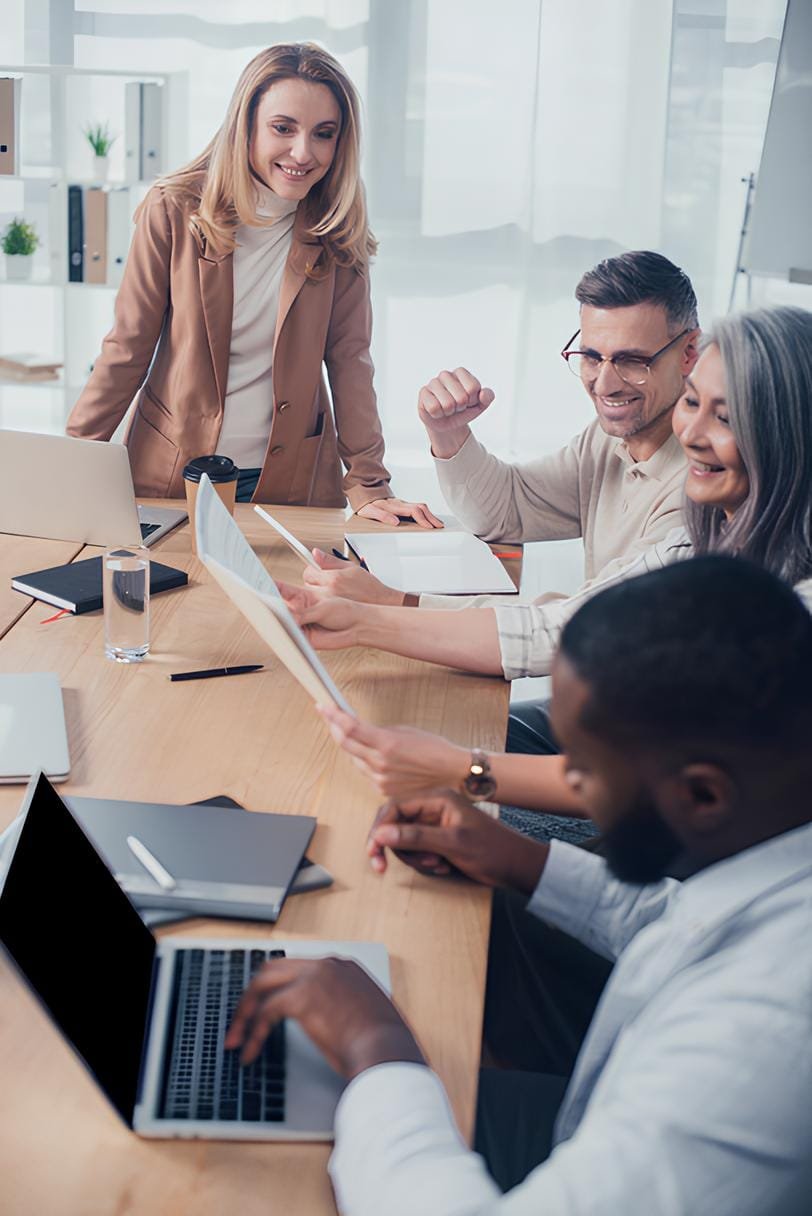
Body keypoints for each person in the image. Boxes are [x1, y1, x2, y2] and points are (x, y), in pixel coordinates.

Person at [226, 556, 812, 1215]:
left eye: (583, 772)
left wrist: (377, 1047)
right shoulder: (774, 854)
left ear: (702, 795)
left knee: (283, 1135)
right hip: (603, 1105)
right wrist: (521, 860)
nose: (569, 791)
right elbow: (685, 920)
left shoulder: (760, 1040)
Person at [280, 305, 812, 839]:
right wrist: (366, 615)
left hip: (669, 829)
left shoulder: (767, 592)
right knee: (395, 749)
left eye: (725, 417)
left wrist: (460, 767)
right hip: (624, 745)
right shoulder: (704, 522)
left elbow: (561, 644)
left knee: (393, 807)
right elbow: (548, 580)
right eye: (693, 403)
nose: (693, 432)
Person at [66, 43, 439, 525]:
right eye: (283, 128)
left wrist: (369, 483)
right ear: (247, 125)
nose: (303, 153)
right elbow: (128, 346)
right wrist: (73, 463)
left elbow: (349, 359)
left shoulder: (336, 223)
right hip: (173, 475)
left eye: (323, 134)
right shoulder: (175, 209)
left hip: (289, 482)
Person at [301, 248, 698, 604]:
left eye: (633, 361)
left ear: (689, 352)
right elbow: (508, 510)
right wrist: (449, 434)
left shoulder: (698, 488)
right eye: (592, 357)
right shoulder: (611, 439)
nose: (605, 384)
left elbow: (574, 624)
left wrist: (395, 602)